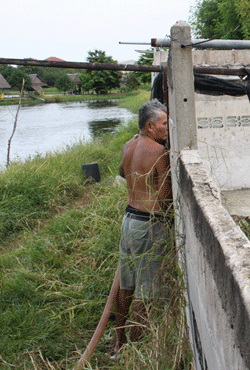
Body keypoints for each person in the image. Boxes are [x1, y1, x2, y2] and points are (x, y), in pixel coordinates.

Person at [111, 99, 173, 358]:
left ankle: (118, 343)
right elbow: (166, 198)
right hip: (149, 224)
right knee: (147, 291)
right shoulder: (160, 153)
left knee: (126, 285)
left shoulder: (128, 145)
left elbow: (123, 174)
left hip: (128, 221)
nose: (168, 128)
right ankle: (134, 350)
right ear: (150, 126)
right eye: (164, 123)